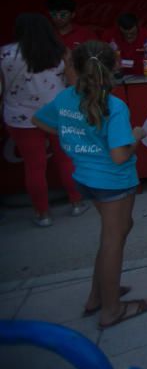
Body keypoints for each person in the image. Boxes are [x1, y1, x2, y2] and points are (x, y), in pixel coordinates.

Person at [33, 40, 147, 328]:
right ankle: (111, 309)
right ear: (113, 67)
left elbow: (39, 120)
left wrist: (71, 137)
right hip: (113, 181)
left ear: (74, 67)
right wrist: (137, 135)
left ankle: (98, 295)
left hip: (86, 178)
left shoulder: (66, 99)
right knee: (113, 240)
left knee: (118, 231)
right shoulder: (114, 106)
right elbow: (119, 153)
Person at [1, 13, 86, 226]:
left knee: (34, 167)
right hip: (57, 114)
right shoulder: (60, 52)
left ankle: (43, 213)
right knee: (66, 160)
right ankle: (76, 202)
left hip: (21, 118)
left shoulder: (5, 54)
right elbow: (74, 85)